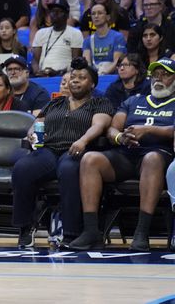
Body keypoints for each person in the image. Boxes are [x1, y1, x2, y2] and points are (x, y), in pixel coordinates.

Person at [68, 58, 175, 252]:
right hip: (126, 154)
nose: (159, 78)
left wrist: (149, 130)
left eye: (165, 74)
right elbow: (112, 128)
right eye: (156, 74)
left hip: (158, 157)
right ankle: (91, 231)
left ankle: (142, 233)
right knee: (90, 159)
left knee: (152, 159)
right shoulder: (134, 100)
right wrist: (121, 138)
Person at [11, 58, 113, 248]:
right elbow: (36, 124)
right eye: (72, 77)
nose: (75, 80)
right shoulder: (55, 103)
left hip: (77, 150)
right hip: (49, 150)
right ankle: (25, 227)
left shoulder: (100, 102)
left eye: (82, 77)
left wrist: (83, 140)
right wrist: (32, 134)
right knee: (22, 168)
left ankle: (71, 232)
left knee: (68, 170)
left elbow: (99, 125)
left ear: (92, 84)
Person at [31, 0, 83, 77]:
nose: (54, 14)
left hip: (65, 76)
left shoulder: (75, 33)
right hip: (43, 75)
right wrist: (38, 72)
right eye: (52, 11)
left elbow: (75, 62)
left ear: (66, 15)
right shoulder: (41, 33)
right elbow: (35, 60)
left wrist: (58, 73)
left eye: (59, 12)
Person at [82, 3, 126, 74]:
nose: (96, 16)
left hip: (112, 75)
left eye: (100, 13)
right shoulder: (88, 40)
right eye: (93, 14)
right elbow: (87, 64)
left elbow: (117, 61)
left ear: (108, 17)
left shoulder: (118, 37)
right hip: (95, 75)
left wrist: (104, 73)